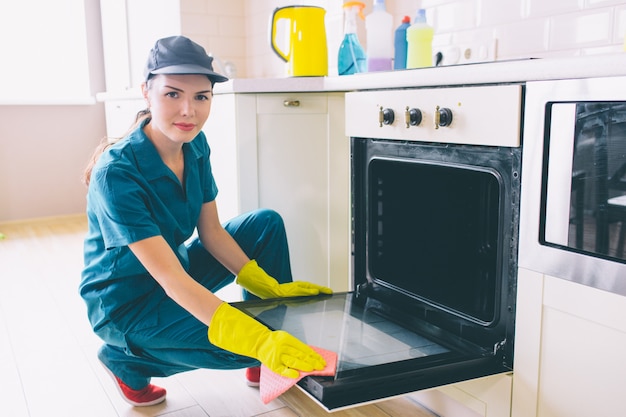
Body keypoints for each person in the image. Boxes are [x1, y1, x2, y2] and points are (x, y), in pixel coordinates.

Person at [79, 35, 332, 407]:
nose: (188, 111)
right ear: (146, 92)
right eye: (173, 94)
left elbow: (211, 233)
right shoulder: (116, 173)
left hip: (173, 270)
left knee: (265, 224)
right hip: (128, 304)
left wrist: (267, 287)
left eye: (201, 97)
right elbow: (171, 281)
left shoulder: (194, 145)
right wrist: (259, 342)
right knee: (250, 342)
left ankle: (267, 358)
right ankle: (124, 359)